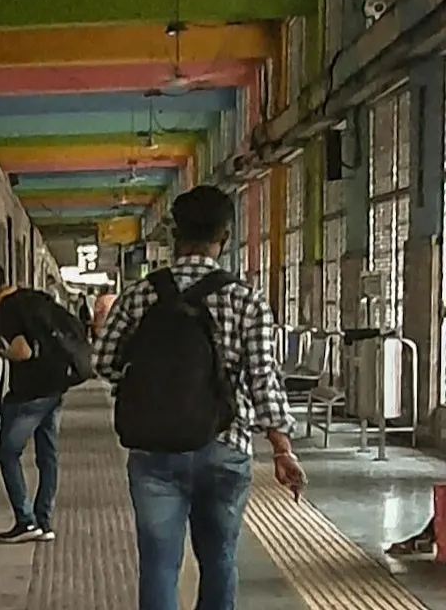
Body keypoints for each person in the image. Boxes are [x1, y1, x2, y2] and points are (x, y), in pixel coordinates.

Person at [95, 186, 306, 610]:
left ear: (174, 234)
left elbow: (102, 361)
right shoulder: (247, 299)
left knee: (158, 564)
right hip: (225, 447)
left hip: (153, 448)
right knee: (220, 559)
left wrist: (145, 384)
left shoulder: (139, 295)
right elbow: (264, 379)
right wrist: (282, 449)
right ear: (224, 237)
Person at [0, 257, 74, 543]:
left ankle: (25, 521)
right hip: (55, 387)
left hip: (29, 393)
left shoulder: (6, 310)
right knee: (48, 455)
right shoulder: (32, 298)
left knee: (7, 453)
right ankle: (44, 521)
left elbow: (22, 352)